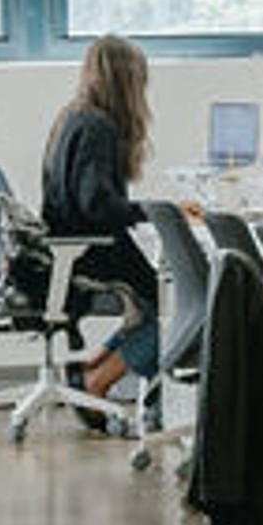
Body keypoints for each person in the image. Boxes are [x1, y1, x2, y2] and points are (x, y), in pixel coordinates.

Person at [41, 35, 165, 402]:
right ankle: (99, 381)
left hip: (73, 246)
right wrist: (155, 212)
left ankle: (89, 368)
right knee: (178, 307)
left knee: (154, 305)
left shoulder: (73, 116)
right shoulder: (99, 128)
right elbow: (98, 206)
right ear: (127, 82)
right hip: (92, 252)